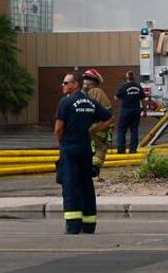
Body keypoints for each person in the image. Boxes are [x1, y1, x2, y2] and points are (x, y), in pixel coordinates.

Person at [55, 71, 113, 234]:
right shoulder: (90, 102)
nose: (63, 85)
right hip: (85, 149)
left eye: (66, 83)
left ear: (75, 84)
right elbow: (109, 118)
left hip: (70, 148)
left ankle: (73, 226)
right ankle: (89, 224)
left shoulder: (65, 103)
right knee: (87, 185)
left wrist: (62, 143)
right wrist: (93, 131)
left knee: (71, 186)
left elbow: (59, 128)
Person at [82, 68, 115, 171]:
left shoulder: (79, 94)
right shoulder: (97, 91)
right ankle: (94, 170)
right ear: (96, 82)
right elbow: (108, 115)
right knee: (101, 148)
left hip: (83, 128)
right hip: (97, 128)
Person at [114, 70, 143, 154]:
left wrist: (119, 101)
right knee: (134, 130)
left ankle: (121, 150)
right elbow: (143, 99)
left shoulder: (123, 87)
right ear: (134, 77)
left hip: (126, 110)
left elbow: (116, 98)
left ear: (126, 78)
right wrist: (144, 111)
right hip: (136, 110)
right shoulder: (138, 87)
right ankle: (133, 150)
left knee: (121, 130)